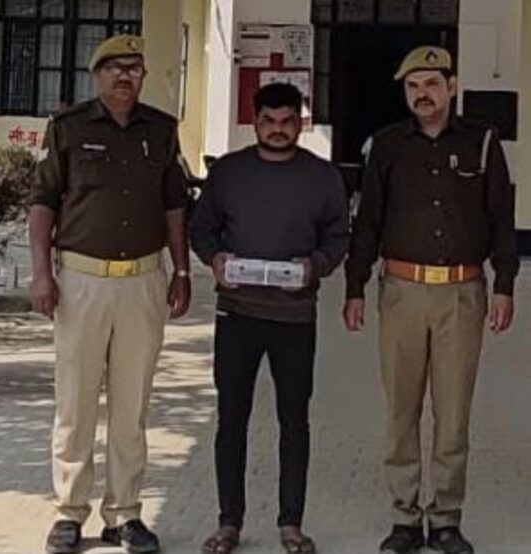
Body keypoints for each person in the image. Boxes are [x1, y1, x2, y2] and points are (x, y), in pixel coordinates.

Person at [343, 46, 519, 554]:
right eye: (413, 86)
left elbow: (502, 219)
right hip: (401, 292)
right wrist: (354, 287)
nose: (423, 94)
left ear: (452, 87)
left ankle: (445, 517)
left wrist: (505, 284)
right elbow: (368, 222)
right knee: (401, 411)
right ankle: (404, 517)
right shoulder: (386, 145)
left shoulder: (482, 143)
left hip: (462, 294)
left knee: (453, 413)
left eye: (432, 84)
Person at [30, 35, 191, 554]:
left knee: (131, 404)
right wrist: (41, 274)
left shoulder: (161, 130)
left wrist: (182, 270)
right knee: (75, 400)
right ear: (96, 74)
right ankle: (69, 511)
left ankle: (125, 513)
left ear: (143, 75)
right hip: (81, 282)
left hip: (143, 281)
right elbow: (42, 203)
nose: (125, 76)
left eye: (134, 68)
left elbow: (174, 205)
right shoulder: (69, 127)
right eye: (114, 67)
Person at [190, 83, 349, 554]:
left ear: (301, 122)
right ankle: (228, 523)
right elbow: (202, 228)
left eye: (287, 122)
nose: (278, 130)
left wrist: (315, 266)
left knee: (293, 421)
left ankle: (291, 524)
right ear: (255, 121)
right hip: (237, 314)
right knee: (231, 419)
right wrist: (215, 258)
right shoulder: (228, 172)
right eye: (268, 121)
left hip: (294, 317)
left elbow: (339, 236)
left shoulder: (322, 177)